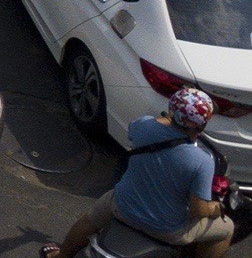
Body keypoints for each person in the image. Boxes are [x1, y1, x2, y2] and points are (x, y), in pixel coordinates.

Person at [43, 88, 234, 258]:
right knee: (227, 229)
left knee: (90, 219)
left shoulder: (144, 127)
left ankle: (60, 255)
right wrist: (214, 208)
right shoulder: (202, 160)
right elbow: (198, 210)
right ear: (201, 126)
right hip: (169, 231)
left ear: (171, 111)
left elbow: (145, 126)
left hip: (122, 208)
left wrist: (169, 118)